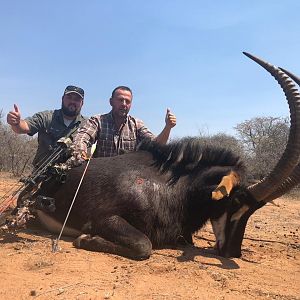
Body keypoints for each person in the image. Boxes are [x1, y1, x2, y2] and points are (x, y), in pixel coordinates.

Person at [72, 85, 176, 163]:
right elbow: (82, 137)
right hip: (100, 175)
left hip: (127, 179)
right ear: (111, 102)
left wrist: (168, 127)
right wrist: (80, 152)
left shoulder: (137, 124)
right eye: (120, 100)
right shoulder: (98, 120)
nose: (124, 104)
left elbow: (156, 145)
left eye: (127, 101)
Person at [6, 85, 85, 167]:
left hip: (73, 176)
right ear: (62, 98)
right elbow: (23, 127)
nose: (72, 101)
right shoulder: (46, 117)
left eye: (77, 99)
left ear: (82, 103)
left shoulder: (88, 125)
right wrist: (16, 123)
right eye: (69, 97)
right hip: (42, 174)